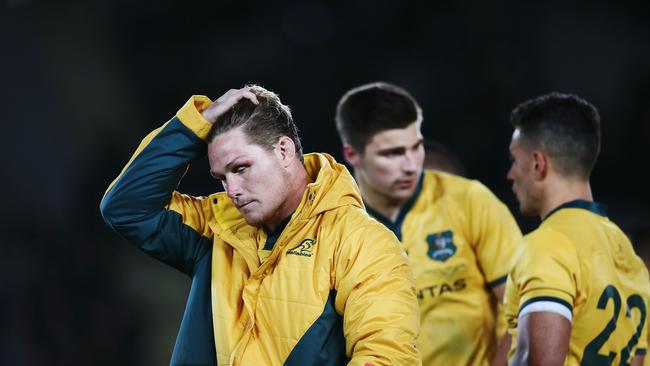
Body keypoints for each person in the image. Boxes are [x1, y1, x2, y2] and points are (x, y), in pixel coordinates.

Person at [100, 86, 421, 366]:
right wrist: (198, 124)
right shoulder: (217, 226)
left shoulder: (361, 241)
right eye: (222, 177)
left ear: (283, 150)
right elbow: (125, 208)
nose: (232, 190)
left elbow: (386, 354)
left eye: (241, 168)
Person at [334, 81, 522, 365]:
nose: (411, 164)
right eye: (393, 153)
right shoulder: (336, 224)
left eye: (416, 147)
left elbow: (524, 309)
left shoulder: (468, 201)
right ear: (352, 155)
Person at [503, 92, 650, 366]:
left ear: (538, 164)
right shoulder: (628, 254)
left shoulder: (547, 245)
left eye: (514, 160)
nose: (510, 173)